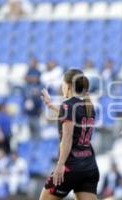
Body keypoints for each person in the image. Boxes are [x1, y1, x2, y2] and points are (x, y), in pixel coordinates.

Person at [39, 69, 99, 200]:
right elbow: (72, 118)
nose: (61, 87)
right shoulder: (88, 105)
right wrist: (51, 106)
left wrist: (60, 165)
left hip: (71, 166)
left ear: (68, 86)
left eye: (62, 84)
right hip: (89, 167)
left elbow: (67, 138)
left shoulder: (67, 105)